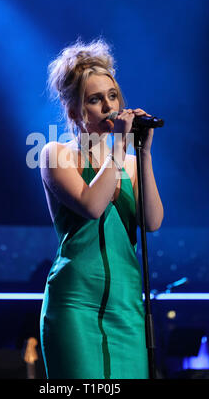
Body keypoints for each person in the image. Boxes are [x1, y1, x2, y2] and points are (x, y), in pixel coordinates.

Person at [39, 39, 164, 379]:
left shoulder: (130, 163)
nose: (108, 106)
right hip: (75, 303)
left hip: (126, 306)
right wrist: (119, 146)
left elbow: (152, 222)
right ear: (75, 112)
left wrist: (144, 154)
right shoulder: (56, 154)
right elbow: (93, 205)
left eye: (112, 96)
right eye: (95, 99)